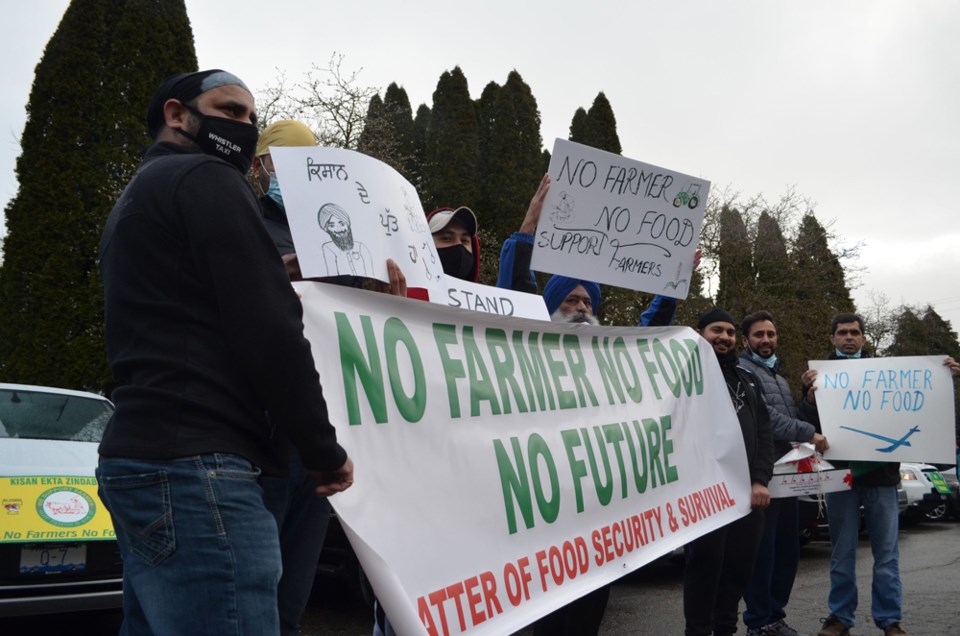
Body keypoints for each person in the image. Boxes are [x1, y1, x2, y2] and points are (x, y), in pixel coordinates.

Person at [96, 70, 353, 635]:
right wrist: (322, 449)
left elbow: (192, 304)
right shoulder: (208, 177)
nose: (243, 127)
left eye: (249, 118)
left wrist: (272, 271)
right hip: (201, 472)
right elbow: (269, 330)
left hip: (142, 460)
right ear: (176, 113)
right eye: (230, 111)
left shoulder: (143, 194)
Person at [802, 313, 960, 636]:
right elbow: (805, 421)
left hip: (883, 480)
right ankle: (839, 618)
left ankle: (890, 620)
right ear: (832, 338)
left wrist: (947, 378)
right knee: (841, 552)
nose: (848, 337)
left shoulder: (886, 374)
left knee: (886, 555)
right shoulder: (817, 376)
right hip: (840, 477)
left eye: (854, 332)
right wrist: (807, 396)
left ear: (863, 338)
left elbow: (925, 403)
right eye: (842, 332)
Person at [251, 119, 334, 636]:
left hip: (319, 433)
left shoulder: (332, 230)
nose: (295, 178)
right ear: (259, 167)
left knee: (289, 599)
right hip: (258, 435)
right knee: (253, 587)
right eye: (285, 164)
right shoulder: (240, 219)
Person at [683, 308, 773, 636]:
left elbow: (764, 432)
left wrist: (761, 479)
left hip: (747, 497)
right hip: (705, 495)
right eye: (716, 330)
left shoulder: (748, 379)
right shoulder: (685, 375)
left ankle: (725, 630)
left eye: (731, 332)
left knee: (738, 572)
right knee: (705, 570)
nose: (725, 337)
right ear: (699, 332)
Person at [739, 311, 829, 636]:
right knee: (762, 554)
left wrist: (807, 402)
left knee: (786, 553)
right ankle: (758, 622)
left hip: (789, 477)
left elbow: (790, 418)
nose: (766, 340)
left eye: (771, 334)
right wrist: (809, 433)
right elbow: (769, 420)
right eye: (759, 334)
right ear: (745, 339)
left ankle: (775, 616)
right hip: (763, 476)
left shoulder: (779, 377)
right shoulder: (742, 372)